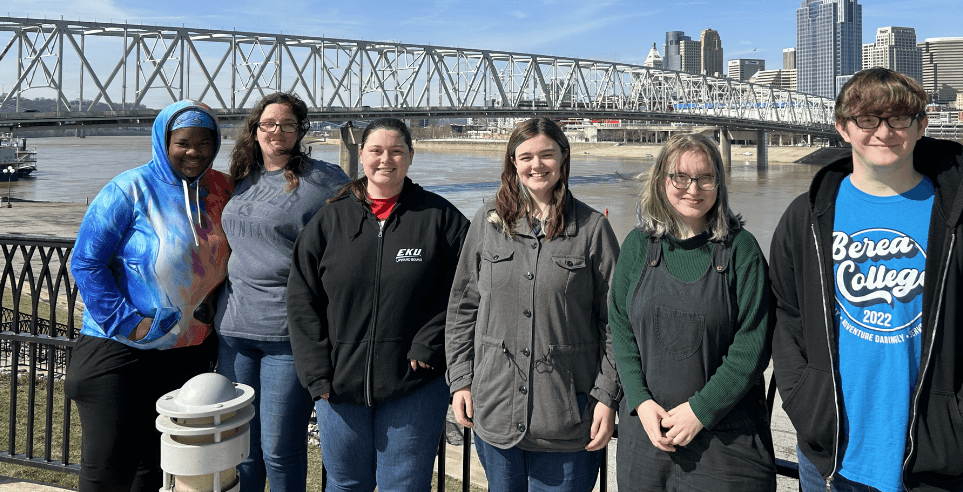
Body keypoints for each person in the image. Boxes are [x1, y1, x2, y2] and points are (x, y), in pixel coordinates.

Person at [770, 68, 963, 492]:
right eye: (867, 119)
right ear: (843, 128)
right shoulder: (806, 218)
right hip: (827, 459)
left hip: (935, 467)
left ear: (921, 125)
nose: (884, 131)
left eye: (899, 118)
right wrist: (804, 400)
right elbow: (788, 315)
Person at [287, 117, 469, 492]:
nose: (386, 159)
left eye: (396, 151)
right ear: (361, 155)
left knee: (404, 485)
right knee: (345, 483)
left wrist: (430, 343)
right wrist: (315, 372)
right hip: (338, 383)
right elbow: (302, 299)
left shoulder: (441, 218)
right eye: (376, 150)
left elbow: (466, 289)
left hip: (415, 383)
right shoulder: (329, 219)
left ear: (411, 156)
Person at [445, 118, 621, 492]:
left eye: (547, 155)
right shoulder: (487, 223)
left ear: (563, 158)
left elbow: (617, 324)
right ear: (513, 162)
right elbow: (463, 307)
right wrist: (460, 380)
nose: (536, 165)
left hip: (567, 416)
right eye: (525, 157)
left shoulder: (593, 229)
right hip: (495, 408)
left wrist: (607, 398)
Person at [67, 100, 232, 492]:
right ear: (163, 141)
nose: (194, 152)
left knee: (158, 468)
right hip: (120, 351)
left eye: (205, 142)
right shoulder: (128, 188)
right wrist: (130, 323)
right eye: (183, 142)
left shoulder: (223, 189)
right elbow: (86, 262)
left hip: (188, 355)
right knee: (109, 468)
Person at [608, 132, 775, 491]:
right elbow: (621, 330)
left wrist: (701, 410)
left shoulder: (742, 250)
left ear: (719, 183)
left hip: (726, 444)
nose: (693, 189)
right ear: (661, 181)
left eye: (704, 178)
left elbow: (753, 347)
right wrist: (640, 400)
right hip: (647, 437)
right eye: (680, 178)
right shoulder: (638, 246)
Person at [215, 93, 349, 492]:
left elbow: (355, 235)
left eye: (288, 124)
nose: (278, 131)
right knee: (242, 447)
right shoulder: (243, 176)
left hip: (287, 336)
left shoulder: (324, 180)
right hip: (233, 331)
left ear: (300, 131)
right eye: (269, 124)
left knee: (279, 448)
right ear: (255, 130)